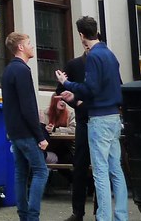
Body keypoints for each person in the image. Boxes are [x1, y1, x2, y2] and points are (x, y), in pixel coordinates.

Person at [57, 17, 128, 221]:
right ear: (96, 31)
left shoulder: (94, 57)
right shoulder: (110, 55)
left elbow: (91, 89)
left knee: (100, 172)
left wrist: (67, 84)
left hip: (99, 119)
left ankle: (104, 217)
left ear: (81, 35)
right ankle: (121, 216)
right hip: (114, 117)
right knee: (116, 170)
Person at [1, 32, 49, 221]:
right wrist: (40, 136)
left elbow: (9, 104)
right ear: (20, 47)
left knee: (21, 173)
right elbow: (27, 107)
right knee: (41, 171)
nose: (32, 46)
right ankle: (32, 216)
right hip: (27, 132)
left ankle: (23, 215)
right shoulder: (22, 71)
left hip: (14, 131)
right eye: (29, 43)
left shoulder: (8, 70)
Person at [59, 48, 92, 221]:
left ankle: (101, 211)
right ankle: (77, 212)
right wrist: (75, 102)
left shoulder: (105, 63)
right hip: (83, 122)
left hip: (101, 120)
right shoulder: (74, 65)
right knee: (79, 166)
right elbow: (60, 90)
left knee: (103, 168)